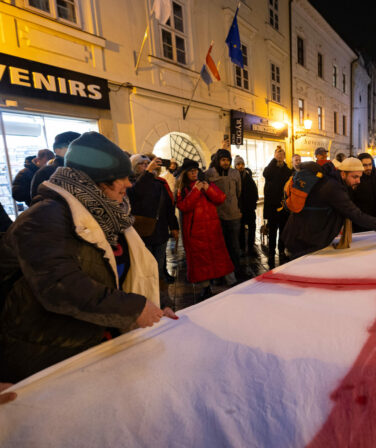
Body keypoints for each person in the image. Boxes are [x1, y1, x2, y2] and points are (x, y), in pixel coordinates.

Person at [0, 131, 175, 383]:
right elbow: (60, 287)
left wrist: (154, 308)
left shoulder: (110, 215)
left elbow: (130, 271)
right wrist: (133, 309)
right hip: (46, 358)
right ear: (99, 180)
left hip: (98, 347)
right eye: (122, 177)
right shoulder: (43, 217)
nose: (129, 184)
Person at [282, 157, 376, 258]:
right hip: (303, 242)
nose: (358, 181)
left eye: (360, 177)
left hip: (302, 238)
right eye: (355, 177)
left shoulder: (332, 182)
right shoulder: (332, 188)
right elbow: (356, 215)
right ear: (343, 174)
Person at [176, 159, 235, 299]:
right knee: (201, 260)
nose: (194, 173)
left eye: (195, 170)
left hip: (212, 228)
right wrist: (196, 191)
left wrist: (207, 188)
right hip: (195, 231)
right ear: (185, 173)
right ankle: (206, 287)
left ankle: (231, 282)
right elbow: (184, 206)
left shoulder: (207, 183)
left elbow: (220, 198)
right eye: (191, 171)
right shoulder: (183, 189)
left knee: (220, 256)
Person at [127, 154, 180, 291]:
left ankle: (160, 295)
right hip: (142, 232)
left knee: (159, 266)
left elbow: (168, 207)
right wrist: (148, 173)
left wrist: (174, 226)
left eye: (147, 164)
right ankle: (149, 293)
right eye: (142, 164)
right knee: (146, 268)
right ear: (133, 166)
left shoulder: (159, 183)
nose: (146, 166)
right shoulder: (130, 182)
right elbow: (136, 193)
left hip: (160, 232)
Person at [206, 149, 242, 272]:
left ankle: (236, 270)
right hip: (217, 215)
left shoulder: (235, 173)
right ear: (218, 160)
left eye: (227, 160)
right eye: (223, 160)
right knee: (219, 246)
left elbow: (239, 191)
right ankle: (221, 272)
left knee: (234, 246)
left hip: (233, 215)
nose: (225, 162)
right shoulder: (209, 174)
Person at [30, 131, 81, 201]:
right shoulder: (46, 172)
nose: (77, 151)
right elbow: (38, 203)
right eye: (71, 147)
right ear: (57, 150)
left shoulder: (80, 169)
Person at [263, 147, 292, 265]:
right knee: (273, 231)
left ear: (284, 156)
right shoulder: (270, 168)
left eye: (282, 154)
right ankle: (271, 254)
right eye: (277, 154)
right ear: (274, 155)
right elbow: (266, 174)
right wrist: (273, 161)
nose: (280, 156)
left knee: (283, 230)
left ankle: (281, 251)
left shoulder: (287, 170)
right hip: (272, 206)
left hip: (283, 206)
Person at [352, 153, 376, 232]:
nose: (368, 168)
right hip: (361, 224)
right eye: (364, 165)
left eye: (370, 164)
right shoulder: (355, 181)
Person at [234, 155, 259, 256]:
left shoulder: (248, 176)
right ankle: (242, 248)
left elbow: (254, 191)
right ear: (235, 166)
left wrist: (253, 204)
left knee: (252, 227)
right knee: (240, 229)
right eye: (238, 164)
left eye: (242, 164)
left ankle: (251, 246)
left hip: (249, 208)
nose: (241, 166)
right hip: (239, 208)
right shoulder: (234, 177)